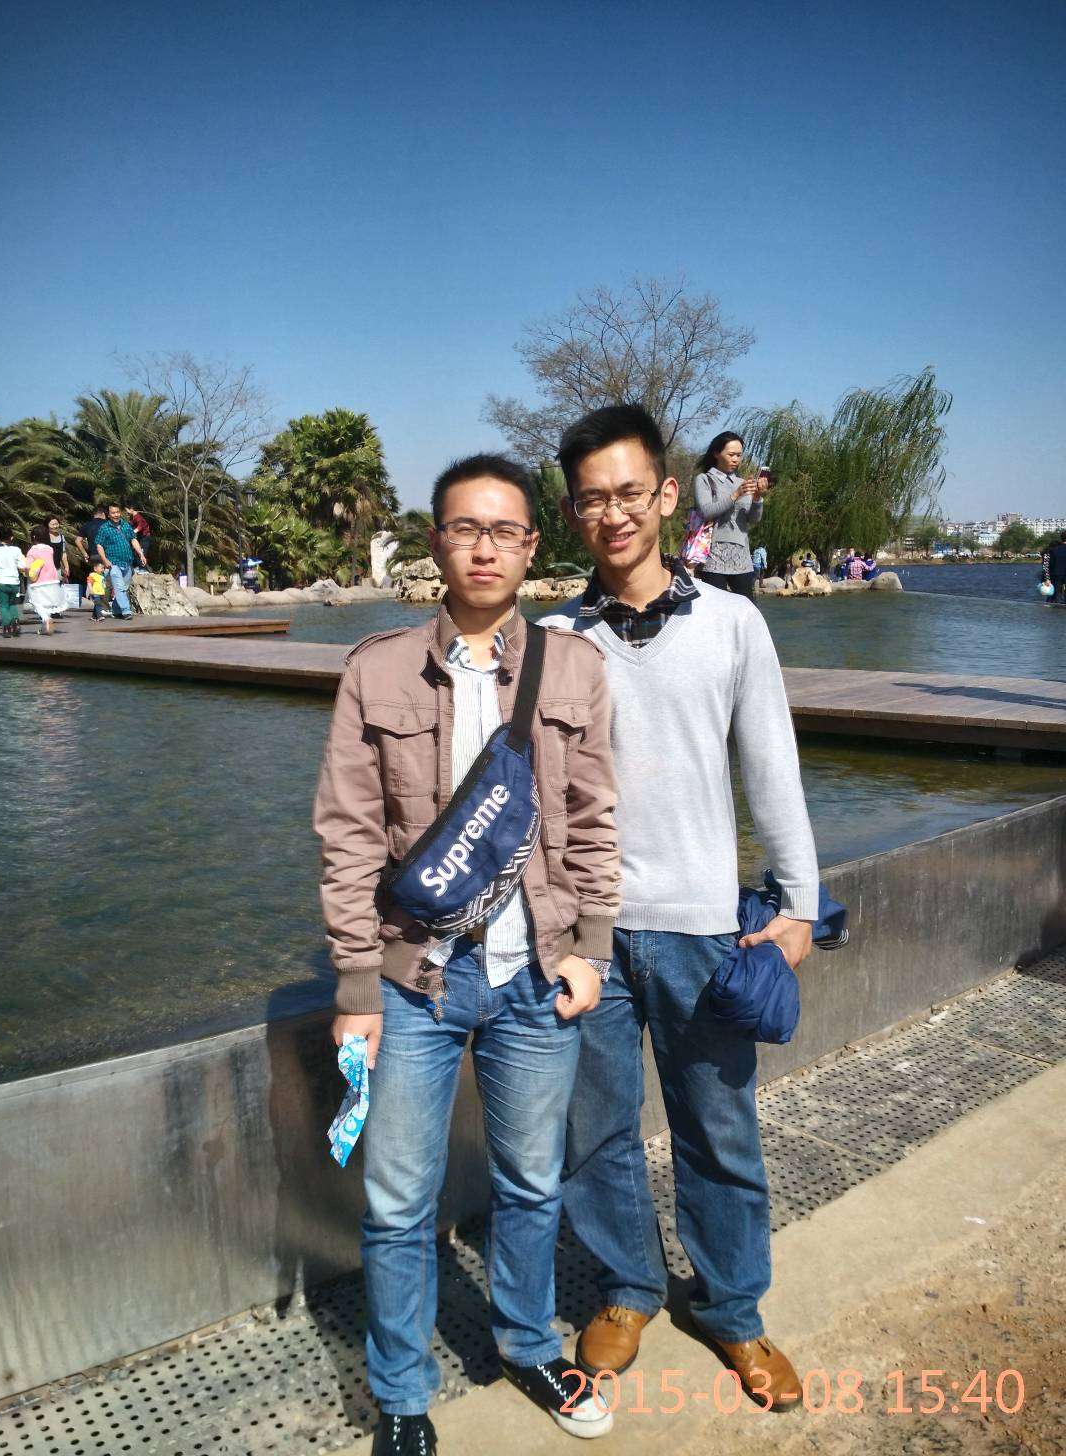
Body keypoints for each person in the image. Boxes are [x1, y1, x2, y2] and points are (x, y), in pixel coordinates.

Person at [314, 454, 621, 1454]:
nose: (484, 547)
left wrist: (592, 949)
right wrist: (356, 984)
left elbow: (595, 817)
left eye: (505, 531)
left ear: (532, 547)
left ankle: (528, 1344)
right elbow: (348, 835)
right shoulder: (376, 669)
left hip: (536, 977)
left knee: (532, 1183)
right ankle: (403, 1396)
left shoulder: (574, 668)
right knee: (398, 1204)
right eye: (464, 527)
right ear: (436, 542)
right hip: (415, 982)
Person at [543, 404, 819, 1412]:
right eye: (592, 499)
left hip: (705, 926)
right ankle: (629, 1286)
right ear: (572, 514)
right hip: (587, 937)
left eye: (630, 492)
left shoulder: (734, 624)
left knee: (720, 1131)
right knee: (595, 1130)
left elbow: (772, 768)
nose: (613, 514)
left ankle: (735, 1307)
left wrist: (799, 901)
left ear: (667, 495)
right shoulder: (551, 639)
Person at [690, 435, 769, 599]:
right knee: (716, 609)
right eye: (731, 454)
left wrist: (757, 498)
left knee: (748, 608)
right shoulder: (704, 480)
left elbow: (753, 519)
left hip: (742, 559)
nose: (736, 459)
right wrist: (736, 494)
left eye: (739, 455)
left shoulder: (742, 482)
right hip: (713, 558)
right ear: (716, 453)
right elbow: (707, 511)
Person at [95, 503, 148, 619]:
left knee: (124, 588)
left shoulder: (126, 525)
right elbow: (99, 545)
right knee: (119, 587)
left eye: (117, 512)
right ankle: (126, 611)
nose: (116, 515)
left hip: (127, 562)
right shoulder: (104, 528)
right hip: (113, 563)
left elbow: (133, 540)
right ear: (109, 515)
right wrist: (104, 560)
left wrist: (141, 554)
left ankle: (116, 609)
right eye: (113, 513)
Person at [25, 525, 68, 635]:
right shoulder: (49, 549)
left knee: (36, 602)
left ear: (34, 537)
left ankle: (46, 619)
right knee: (47, 603)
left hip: (38, 581)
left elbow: (28, 566)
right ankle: (45, 627)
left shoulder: (32, 551)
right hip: (52, 579)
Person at [0, 524, 28, 637]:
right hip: (14, 582)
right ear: (12, 537)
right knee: (12, 604)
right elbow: (22, 565)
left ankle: (7, 627)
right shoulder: (16, 550)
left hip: (0, 582)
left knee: (3, 605)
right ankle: (16, 622)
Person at [1042, 531, 1066, 604]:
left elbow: (1047, 566)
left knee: (1055, 597)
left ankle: (1054, 608)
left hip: (1056, 575)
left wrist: (1047, 578)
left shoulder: (1053, 550)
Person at [46, 517, 72, 584]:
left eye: (56, 524)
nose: (55, 526)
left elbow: (63, 553)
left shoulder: (61, 537)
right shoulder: (44, 537)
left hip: (57, 568)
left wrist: (66, 567)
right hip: (46, 569)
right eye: (52, 524)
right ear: (47, 525)